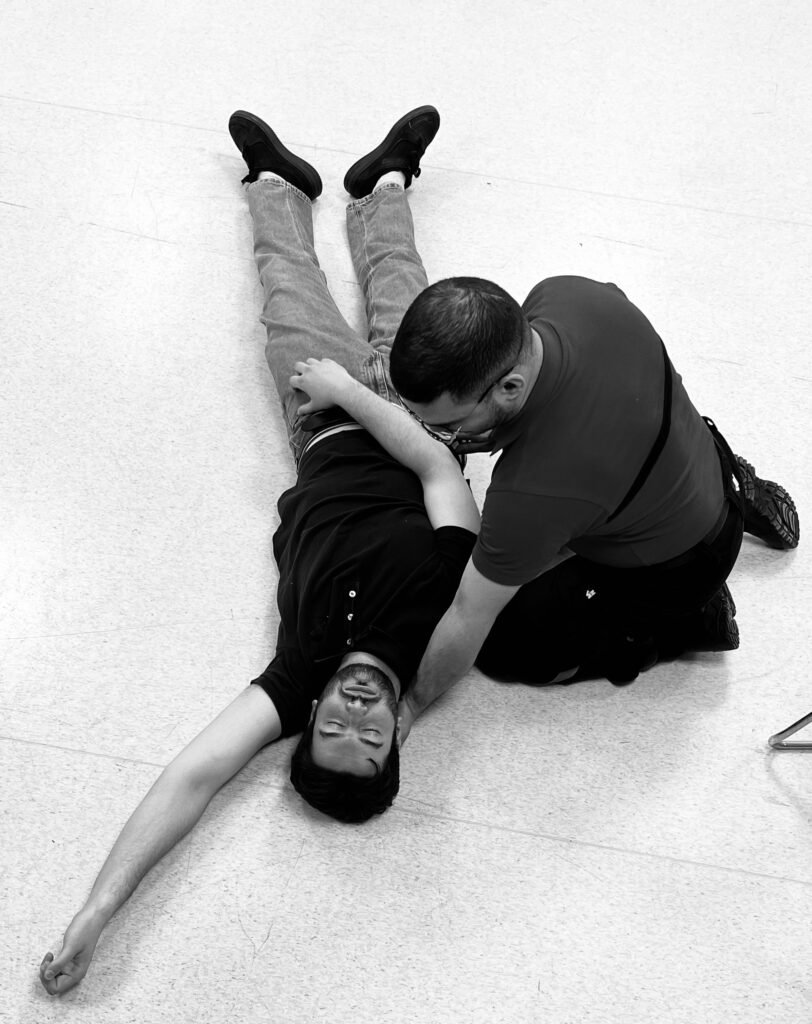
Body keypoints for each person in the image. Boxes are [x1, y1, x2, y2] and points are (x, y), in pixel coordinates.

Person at [40, 105, 483, 996]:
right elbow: (440, 470)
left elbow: (193, 778)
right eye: (369, 735)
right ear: (398, 735)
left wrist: (95, 914)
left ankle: (278, 184)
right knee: (408, 291)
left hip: (321, 421)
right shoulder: (440, 629)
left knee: (285, 285)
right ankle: (383, 187)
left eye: (331, 729)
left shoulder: (296, 676)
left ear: (308, 718)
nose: (353, 711)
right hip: (417, 418)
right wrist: (361, 394)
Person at [384, 247, 800, 735]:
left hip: (684, 564)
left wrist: (409, 705)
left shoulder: (532, 493)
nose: (443, 437)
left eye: (450, 426)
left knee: (506, 643)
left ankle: (688, 621)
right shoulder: (565, 294)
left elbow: (467, 614)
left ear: (510, 387)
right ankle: (734, 482)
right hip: (689, 451)